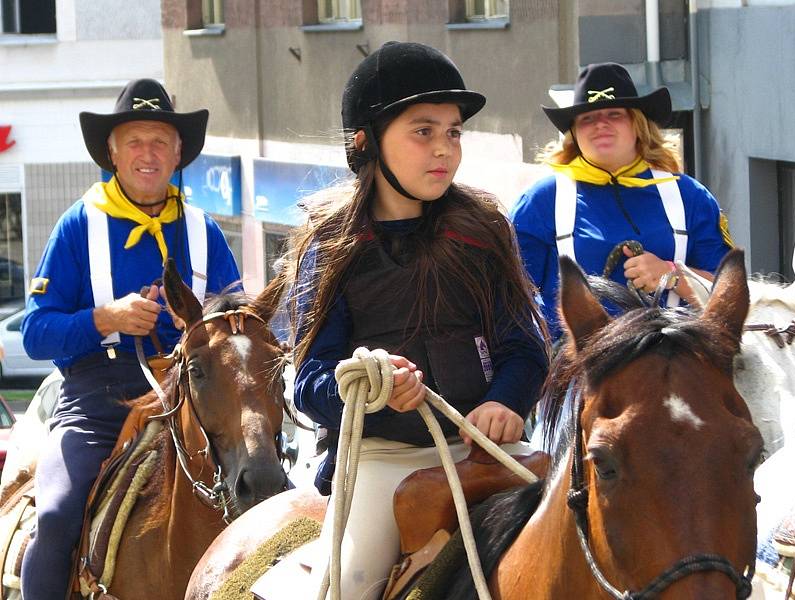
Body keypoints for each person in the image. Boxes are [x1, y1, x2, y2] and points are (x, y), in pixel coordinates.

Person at [283, 41, 549, 599]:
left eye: (453, 132)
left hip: (489, 453)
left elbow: (524, 348)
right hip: (385, 461)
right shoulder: (330, 245)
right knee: (345, 588)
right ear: (366, 141)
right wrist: (371, 391)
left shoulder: (485, 230)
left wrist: (505, 401)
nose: (444, 149)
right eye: (422, 131)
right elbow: (307, 384)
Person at [20, 79, 241, 600]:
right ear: (113, 153)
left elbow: (236, 324)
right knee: (55, 517)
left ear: (179, 151)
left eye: (160, 141)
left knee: (267, 492)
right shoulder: (80, 225)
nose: (149, 153)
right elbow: (34, 333)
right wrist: (105, 318)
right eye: (135, 142)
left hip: (190, 399)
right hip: (97, 400)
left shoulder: (204, 230)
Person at [510, 62, 733, 337]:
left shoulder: (690, 197)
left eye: (614, 114)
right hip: (579, 372)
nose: (601, 124)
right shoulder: (540, 202)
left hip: (676, 368)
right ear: (575, 134)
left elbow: (729, 295)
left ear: (638, 125)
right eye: (587, 118)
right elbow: (513, 301)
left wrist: (671, 274)